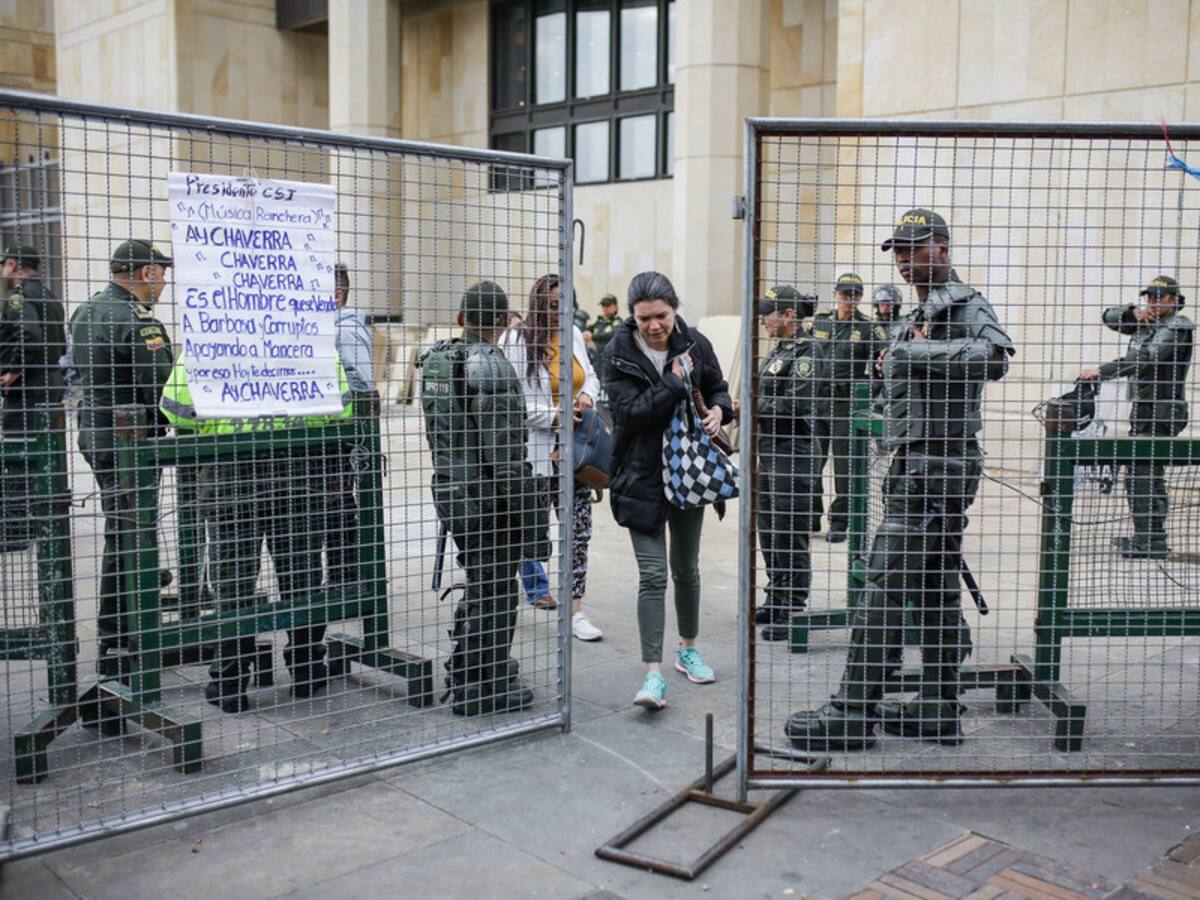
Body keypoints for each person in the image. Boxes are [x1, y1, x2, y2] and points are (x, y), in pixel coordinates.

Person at [786, 208, 1013, 750]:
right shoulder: (924, 310)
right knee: (934, 589)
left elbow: (996, 356)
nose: (905, 261)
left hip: (939, 470)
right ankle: (937, 707)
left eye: (915, 249)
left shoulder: (965, 304)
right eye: (899, 251)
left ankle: (851, 712)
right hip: (921, 466)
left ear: (943, 248)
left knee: (884, 586)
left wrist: (909, 350)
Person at [160, 356, 352, 712]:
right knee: (302, 578)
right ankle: (307, 669)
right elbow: (343, 408)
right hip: (298, 477)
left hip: (229, 480)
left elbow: (175, 410)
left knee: (233, 586)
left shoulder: (208, 343)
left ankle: (230, 684)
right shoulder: (307, 342)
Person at [604, 271, 733, 710]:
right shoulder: (618, 353)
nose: (654, 326)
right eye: (644, 319)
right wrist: (674, 383)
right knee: (654, 574)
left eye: (661, 316)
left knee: (686, 568)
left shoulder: (695, 344)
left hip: (688, 472)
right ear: (632, 318)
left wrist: (719, 409)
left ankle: (688, 649)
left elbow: (718, 386)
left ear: (675, 309)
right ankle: (653, 675)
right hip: (638, 477)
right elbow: (631, 413)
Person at [419, 281, 543, 716]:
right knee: (495, 591)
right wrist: (528, 512)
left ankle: (471, 666)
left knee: (481, 581)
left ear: (461, 318)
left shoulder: (437, 360)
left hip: (453, 490)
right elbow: (506, 455)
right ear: (504, 323)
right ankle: (480, 685)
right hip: (488, 499)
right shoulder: (490, 364)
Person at [71, 240, 175, 664]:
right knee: (131, 533)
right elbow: (163, 389)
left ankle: (127, 621)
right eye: (162, 273)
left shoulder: (87, 309)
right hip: (131, 441)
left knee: (124, 526)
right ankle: (123, 634)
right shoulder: (138, 322)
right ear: (146, 273)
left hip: (94, 431)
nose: (164, 283)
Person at [499, 274, 604, 641]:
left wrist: (588, 396)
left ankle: (575, 611)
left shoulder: (572, 334)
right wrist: (557, 415)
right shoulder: (515, 340)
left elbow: (590, 376)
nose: (560, 309)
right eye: (553, 302)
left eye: (566, 302)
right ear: (538, 303)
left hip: (576, 457)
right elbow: (511, 402)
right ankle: (500, 602)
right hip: (536, 457)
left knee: (578, 533)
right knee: (526, 533)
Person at [1080, 275, 1193, 559]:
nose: (1154, 302)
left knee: (1143, 474)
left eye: (1160, 297)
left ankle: (1151, 541)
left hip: (1163, 413)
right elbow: (1108, 317)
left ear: (1174, 300)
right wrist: (1132, 314)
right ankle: (1148, 537)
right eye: (1150, 297)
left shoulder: (1177, 327)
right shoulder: (1148, 323)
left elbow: (1148, 359)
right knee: (1142, 475)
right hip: (1143, 411)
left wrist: (1103, 370)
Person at [755, 286, 826, 641]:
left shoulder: (808, 350)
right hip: (771, 449)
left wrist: (752, 407)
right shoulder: (781, 350)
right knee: (770, 529)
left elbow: (797, 404)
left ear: (787, 315)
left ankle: (793, 607)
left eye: (768, 313)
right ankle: (776, 594)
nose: (763, 320)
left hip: (794, 450)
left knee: (790, 530)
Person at [0, 245, 65, 550]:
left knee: (17, 457)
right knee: (44, 457)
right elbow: (60, 344)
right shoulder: (50, 296)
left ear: (12, 265)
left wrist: (12, 370)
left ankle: (14, 532)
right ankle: (41, 523)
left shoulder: (18, 296)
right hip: (51, 385)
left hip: (26, 390)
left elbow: (29, 334)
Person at [807, 272, 880, 542]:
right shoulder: (820, 322)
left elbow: (884, 362)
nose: (850, 300)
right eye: (845, 294)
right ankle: (810, 515)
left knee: (845, 468)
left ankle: (839, 522)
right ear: (836, 294)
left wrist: (866, 391)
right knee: (811, 462)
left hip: (845, 406)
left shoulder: (868, 328)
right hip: (817, 402)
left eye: (855, 295)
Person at [324, 262, 375, 586]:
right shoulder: (333, 330)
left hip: (341, 437)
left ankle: (348, 582)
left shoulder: (344, 331)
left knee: (339, 504)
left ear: (336, 296)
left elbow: (361, 383)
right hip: (332, 435)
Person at [589, 293, 621, 382]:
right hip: (596, 359)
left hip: (609, 360)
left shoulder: (617, 322)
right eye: (603, 305)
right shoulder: (599, 322)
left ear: (615, 307)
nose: (605, 308)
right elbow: (588, 329)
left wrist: (593, 336)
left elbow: (612, 334)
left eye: (608, 305)